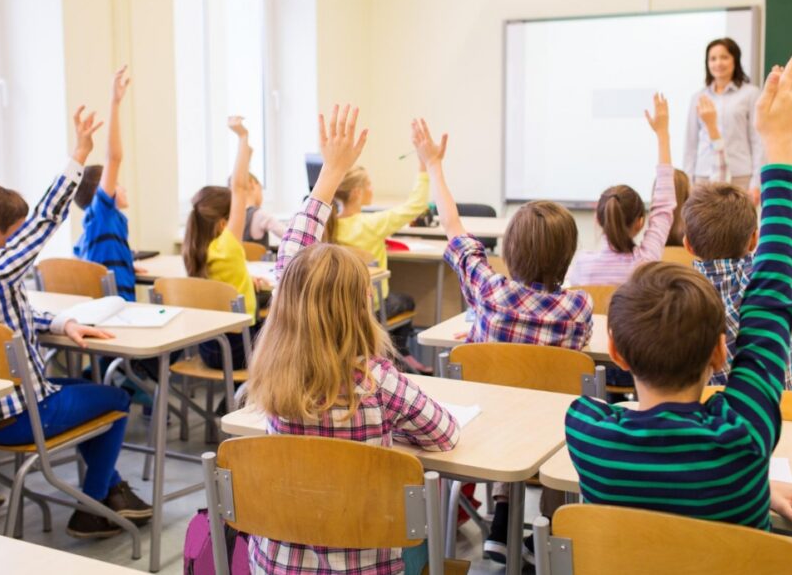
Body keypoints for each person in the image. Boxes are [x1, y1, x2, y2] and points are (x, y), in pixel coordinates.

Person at [566, 46, 792, 528]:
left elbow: (770, 299)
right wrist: (780, 144)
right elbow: (769, 299)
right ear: (722, 353)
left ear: (615, 351)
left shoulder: (587, 432)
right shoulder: (745, 439)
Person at [246, 104, 458, 574]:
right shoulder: (377, 382)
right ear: (363, 307)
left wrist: (331, 172)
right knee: (421, 522)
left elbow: (292, 262)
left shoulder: (272, 377)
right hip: (360, 565)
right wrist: (391, 429)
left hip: (275, 564)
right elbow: (443, 435)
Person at [0, 106, 152, 538]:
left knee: (85, 391)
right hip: (21, 415)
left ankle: (108, 489)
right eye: (17, 235)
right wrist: (78, 153)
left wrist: (61, 323)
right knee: (115, 400)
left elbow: (7, 318)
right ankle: (93, 506)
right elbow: (45, 219)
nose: (26, 241)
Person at [412, 116, 591, 562]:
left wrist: (434, 166)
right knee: (556, 420)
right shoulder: (578, 308)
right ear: (568, 255)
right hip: (552, 435)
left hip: (490, 430)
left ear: (508, 250)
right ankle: (546, 533)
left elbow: (454, 229)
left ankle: (502, 512)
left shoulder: (489, 291)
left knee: (501, 401)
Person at [683, 64, 792, 389]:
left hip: (705, 433)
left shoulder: (672, 298)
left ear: (687, 243)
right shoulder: (768, 279)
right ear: (756, 239)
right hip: (775, 432)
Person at [322, 131, 433, 373]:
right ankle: (401, 352)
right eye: (369, 184)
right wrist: (424, 166)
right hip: (369, 305)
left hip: (336, 305)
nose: (373, 188)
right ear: (357, 193)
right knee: (406, 299)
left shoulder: (327, 227)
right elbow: (416, 206)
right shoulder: (371, 224)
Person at [567, 93, 676, 286]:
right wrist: (662, 134)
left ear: (598, 219)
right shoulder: (645, 263)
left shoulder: (582, 266)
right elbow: (664, 206)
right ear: (640, 222)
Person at [182, 117, 264, 368]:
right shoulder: (227, 246)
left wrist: (245, 283)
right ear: (222, 223)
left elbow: (222, 285)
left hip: (209, 348)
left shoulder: (194, 250)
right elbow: (239, 188)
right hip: (241, 349)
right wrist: (242, 137)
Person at [73, 66, 139, 301]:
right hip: (118, 312)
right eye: (117, 184)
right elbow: (114, 157)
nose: (123, 188)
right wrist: (115, 102)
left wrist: (127, 264)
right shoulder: (103, 216)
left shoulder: (92, 230)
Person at [683, 38, 762, 194]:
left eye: (724, 57)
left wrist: (756, 182)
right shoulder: (698, 97)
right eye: (713, 59)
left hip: (739, 175)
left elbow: (757, 140)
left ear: (735, 60)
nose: (718, 63)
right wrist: (688, 179)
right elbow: (690, 143)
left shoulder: (751, 94)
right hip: (704, 175)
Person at [240, 173, 286, 251]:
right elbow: (291, 236)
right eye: (260, 190)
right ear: (252, 184)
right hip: (259, 262)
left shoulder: (234, 217)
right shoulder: (260, 215)